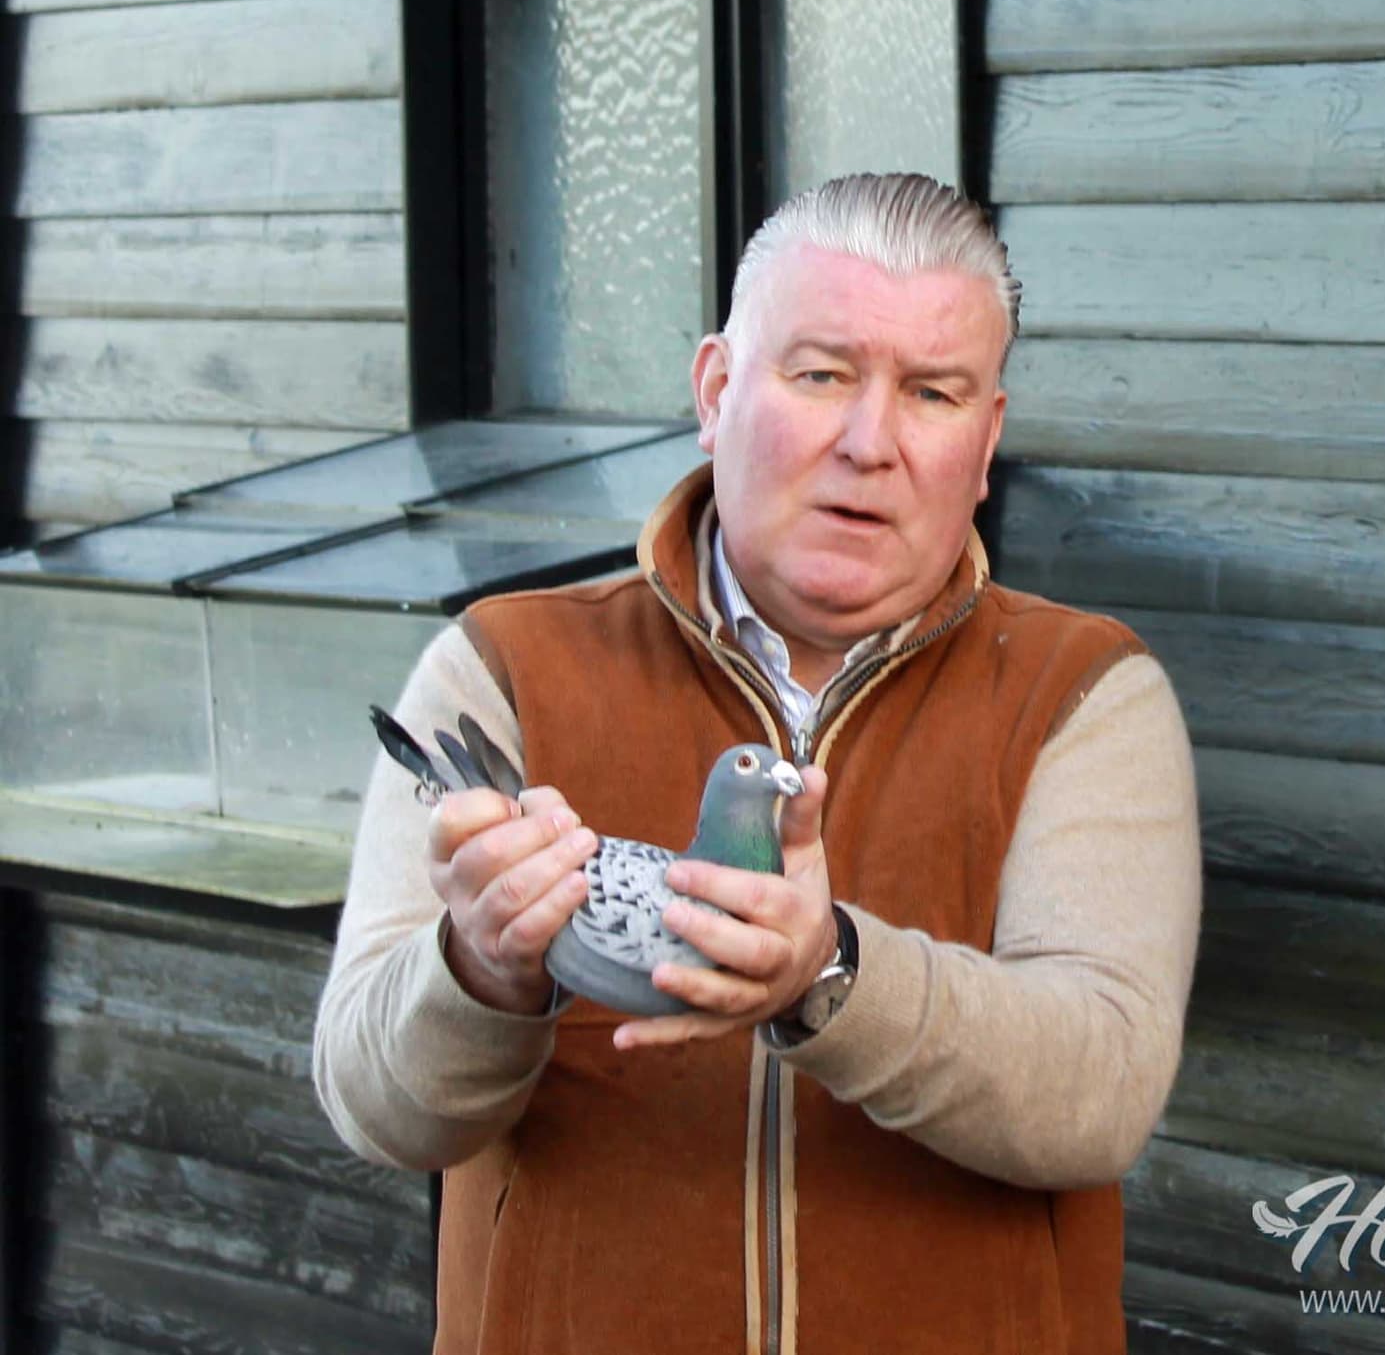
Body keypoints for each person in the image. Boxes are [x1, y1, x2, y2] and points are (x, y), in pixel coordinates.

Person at [314, 172, 1201, 1355]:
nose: (869, 443)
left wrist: (829, 974)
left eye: (932, 393)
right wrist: (481, 967)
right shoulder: (503, 669)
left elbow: (1101, 1093)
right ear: (716, 391)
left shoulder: (1083, 694)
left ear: (985, 440)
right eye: (821, 374)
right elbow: (374, 1105)